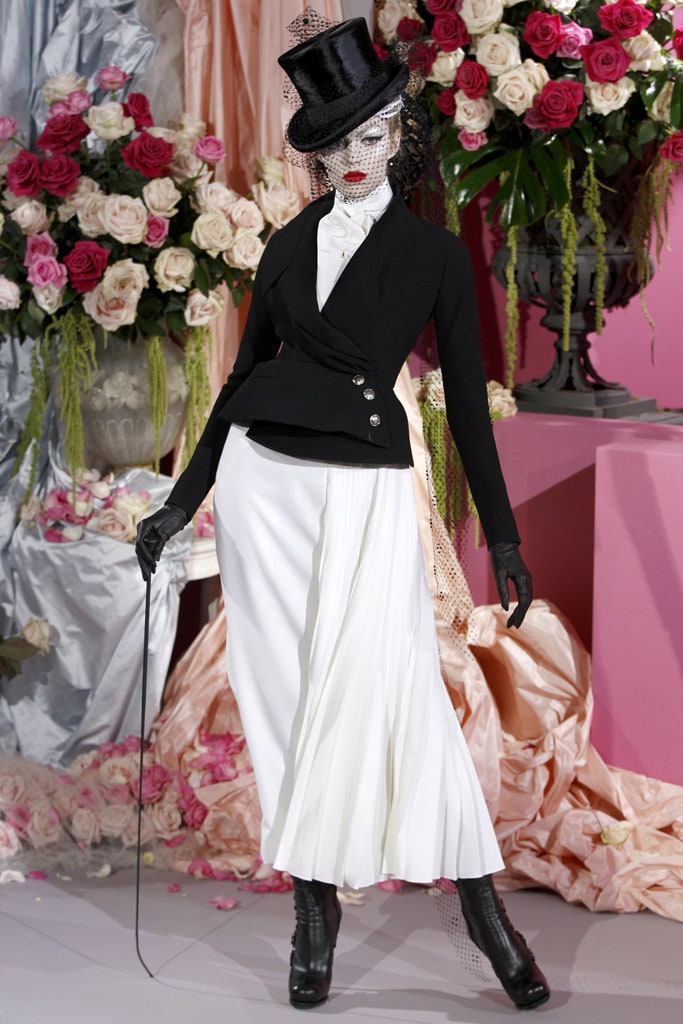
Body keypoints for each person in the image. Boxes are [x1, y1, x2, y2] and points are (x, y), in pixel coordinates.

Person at [136, 17, 550, 1012]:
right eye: (333, 143)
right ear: (314, 154)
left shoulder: (434, 256)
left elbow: (462, 405)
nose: (354, 157)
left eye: (371, 134)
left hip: (363, 488)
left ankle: (485, 917)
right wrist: (180, 503)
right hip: (263, 492)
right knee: (286, 710)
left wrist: (501, 535)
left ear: (399, 133)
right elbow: (238, 383)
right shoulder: (284, 247)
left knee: (396, 694)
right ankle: (312, 914)